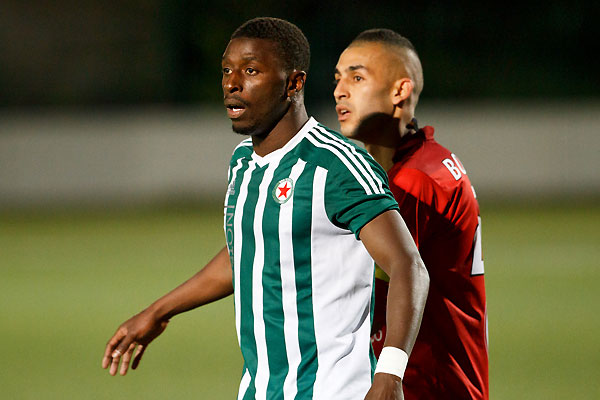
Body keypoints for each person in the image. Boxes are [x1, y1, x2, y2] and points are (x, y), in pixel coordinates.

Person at [102, 18, 429, 400]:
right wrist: (159, 311)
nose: (232, 83)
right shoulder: (243, 163)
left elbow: (409, 266)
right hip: (260, 390)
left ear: (294, 83)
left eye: (251, 70)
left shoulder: (336, 166)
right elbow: (249, 249)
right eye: (227, 70)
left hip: (332, 390)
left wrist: (390, 374)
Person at [333, 29, 488, 399]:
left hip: (426, 385)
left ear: (399, 91)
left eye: (356, 77)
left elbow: (355, 281)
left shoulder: (416, 182)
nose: (340, 90)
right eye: (337, 78)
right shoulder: (428, 161)